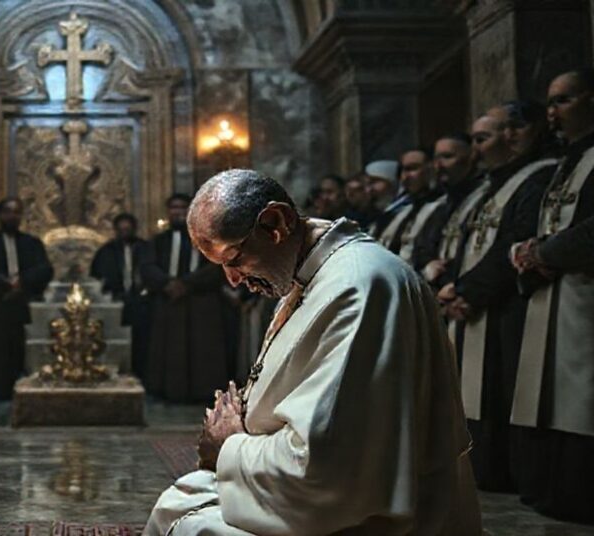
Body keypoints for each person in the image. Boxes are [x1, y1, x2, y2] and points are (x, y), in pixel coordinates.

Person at [144, 169, 480, 535]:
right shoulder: (311, 275)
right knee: (181, 500)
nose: (234, 280)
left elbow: (328, 466)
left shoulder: (358, 287)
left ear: (275, 223)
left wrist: (229, 446)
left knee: (190, 524)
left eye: (234, 259)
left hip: (359, 518)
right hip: (303, 493)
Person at [436, 103, 558, 494]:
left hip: (506, 304)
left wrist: (469, 291)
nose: (477, 150)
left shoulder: (535, 177)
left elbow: (511, 242)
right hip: (470, 301)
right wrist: (454, 286)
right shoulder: (490, 187)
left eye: (481, 139)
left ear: (515, 135)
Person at [509, 68, 594, 523]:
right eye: (550, 103)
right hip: (555, 293)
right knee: (554, 398)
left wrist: (543, 252)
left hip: (584, 297)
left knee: (581, 397)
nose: (552, 113)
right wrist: (526, 253)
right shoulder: (567, 162)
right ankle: (554, 489)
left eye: (563, 100)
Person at [141, 194, 229, 402]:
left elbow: (217, 265)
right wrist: (167, 283)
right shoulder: (158, 241)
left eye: (183, 208)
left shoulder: (209, 239)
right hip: (168, 300)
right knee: (170, 348)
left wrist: (187, 283)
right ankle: (169, 391)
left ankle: (201, 391)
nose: (178, 212)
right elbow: (147, 266)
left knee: (201, 346)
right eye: (174, 208)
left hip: (201, 301)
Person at [0, 197, 53, 399]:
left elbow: (45, 269)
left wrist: (21, 283)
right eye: (8, 211)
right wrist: (3, 283)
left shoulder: (31, 243)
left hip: (21, 304)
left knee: (18, 349)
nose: (12, 216)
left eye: (16, 212)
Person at [411, 131, 484, 289]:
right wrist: (428, 265)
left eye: (447, 157)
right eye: (436, 159)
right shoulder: (442, 205)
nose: (439, 166)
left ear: (471, 158)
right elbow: (421, 248)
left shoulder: (486, 196)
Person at [90, 213, 150, 381]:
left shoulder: (146, 247)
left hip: (142, 302)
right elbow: (96, 276)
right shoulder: (105, 251)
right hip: (114, 304)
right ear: (115, 230)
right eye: (121, 229)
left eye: (128, 228)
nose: (125, 231)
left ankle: (141, 374)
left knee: (142, 340)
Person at [373, 148, 442, 261]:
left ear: (431, 169)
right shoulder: (402, 212)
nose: (405, 177)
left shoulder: (441, 206)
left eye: (413, 169)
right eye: (402, 171)